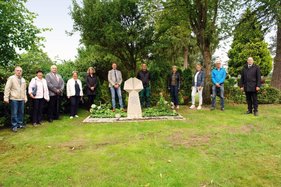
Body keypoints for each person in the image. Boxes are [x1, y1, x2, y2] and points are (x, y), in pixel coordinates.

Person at [4, 66, 27, 132]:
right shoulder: (11, 78)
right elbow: (7, 88)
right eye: (17, 70)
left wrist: (25, 97)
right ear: (15, 71)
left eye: (20, 71)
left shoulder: (23, 79)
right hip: (14, 98)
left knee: (21, 112)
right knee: (14, 113)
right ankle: (14, 126)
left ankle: (19, 124)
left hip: (21, 98)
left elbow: (24, 90)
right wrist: (6, 97)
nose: (19, 72)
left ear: (21, 72)